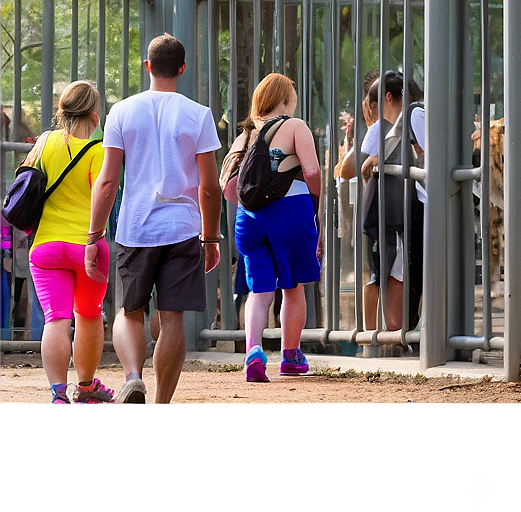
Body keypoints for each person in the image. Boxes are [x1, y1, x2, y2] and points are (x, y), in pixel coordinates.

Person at [85, 34, 221, 404]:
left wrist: (94, 234)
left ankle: (132, 377)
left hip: (135, 227)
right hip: (183, 228)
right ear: (182, 68)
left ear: (147, 66)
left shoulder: (122, 112)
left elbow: (108, 180)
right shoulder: (199, 114)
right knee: (172, 317)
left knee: (130, 313)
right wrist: (211, 237)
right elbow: (210, 187)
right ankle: (162, 405)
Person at [222, 73, 322, 382]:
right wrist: (314, 208)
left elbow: (228, 188)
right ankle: (290, 356)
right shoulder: (295, 126)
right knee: (292, 287)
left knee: (259, 289)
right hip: (290, 213)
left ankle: (253, 350)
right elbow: (312, 170)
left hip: (249, 219)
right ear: (287, 99)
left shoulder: (246, 136)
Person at [27, 81, 112, 404]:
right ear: (94, 114)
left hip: (46, 246)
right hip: (87, 246)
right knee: (89, 315)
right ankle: (87, 388)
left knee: (56, 318)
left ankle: (57, 394)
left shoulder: (44, 141)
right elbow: (102, 198)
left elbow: (28, 181)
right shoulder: (99, 150)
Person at [359, 71, 424, 332]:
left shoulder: (405, 120)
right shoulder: (401, 122)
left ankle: (387, 335)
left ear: (387, 97)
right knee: (394, 273)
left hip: (400, 209)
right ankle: (392, 334)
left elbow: (363, 165)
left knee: (391, 273)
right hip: (403, 208)